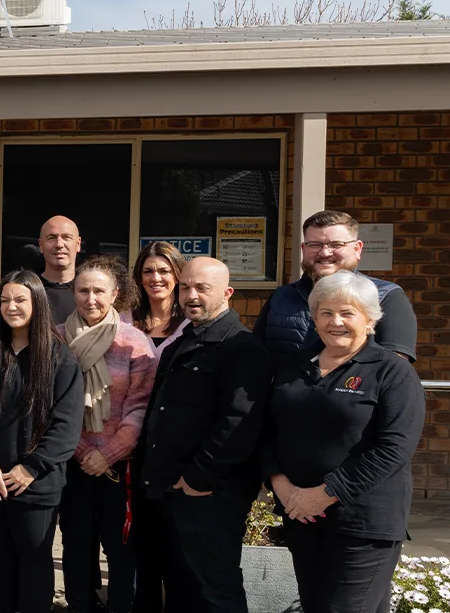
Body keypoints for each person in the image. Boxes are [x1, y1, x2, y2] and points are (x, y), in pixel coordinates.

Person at [263, 272, 424, 613]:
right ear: (314, 317)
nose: (336, 322)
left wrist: (324, 494)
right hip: (301, 518)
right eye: (326, 312)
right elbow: (266, 430)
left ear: (370, 319)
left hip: (363, 523)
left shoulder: (391, 372)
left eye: (348, 313)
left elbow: (394, 447)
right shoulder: (293, 367)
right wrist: (283, 487)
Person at [140, 257, 272, 613]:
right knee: (184, 588)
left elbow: (239, 422)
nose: (191, 296)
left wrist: (197, 479)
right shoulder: (188, 338)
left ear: (227, 293)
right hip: (173, 489)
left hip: (210, 494)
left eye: (202, 288)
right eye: (185, 287)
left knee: (216, 590)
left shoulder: (242, 347)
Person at [0, 270, 83, 613]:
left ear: (37, 304)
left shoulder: (60, 358)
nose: (12, 307)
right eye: (5, 300)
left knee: (34, 558)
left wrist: (30, 468)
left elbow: (66, 427)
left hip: (36, 484)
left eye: (20, 299)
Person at [55, 256, 156, 613]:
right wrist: (83, 453)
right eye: (83, 291)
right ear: (73, 293)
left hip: (119, 467)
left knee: (121, 547)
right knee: (77, 545)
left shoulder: (135, 342)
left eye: (99, 291)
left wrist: (109, 454)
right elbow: (50, 406)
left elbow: (140, 407)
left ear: (115, 294)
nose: (91, 298)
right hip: (71, 462)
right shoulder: (56, 338)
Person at [255, 210, 418, 362]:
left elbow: (394, 371)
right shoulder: (281, 297)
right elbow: (256, 357)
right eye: (315, 245)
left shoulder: (386, 296)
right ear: (304, 249)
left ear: (357, 249)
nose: (325, 253)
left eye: (336, 245)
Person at [126, 241, 187, 612]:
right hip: (129, 443)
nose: (156, 278)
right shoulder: (124, 321)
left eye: (164, 270)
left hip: (173, 446)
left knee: (173, 538)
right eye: (148, 271)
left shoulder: (191, 325)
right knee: (140, 538)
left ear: (178, 275)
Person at [38, 216, 82, 322]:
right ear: (41, 245)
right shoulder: (28, 291)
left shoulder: (93, 293)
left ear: (78, 244)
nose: (59, 244)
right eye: (52, 238)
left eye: (66, 237)